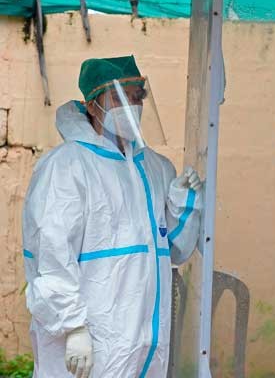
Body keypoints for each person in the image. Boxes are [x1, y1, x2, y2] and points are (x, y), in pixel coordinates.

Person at [22, 55, 203, 378]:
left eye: (137, 96)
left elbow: (174, 250)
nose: (131, 106)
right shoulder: (66, 167)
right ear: (92, 106)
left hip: (146, 341)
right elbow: (51, 255)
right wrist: (73, 327)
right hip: (90, 341)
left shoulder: (155, 167)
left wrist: (183, 203)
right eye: (119, 97)